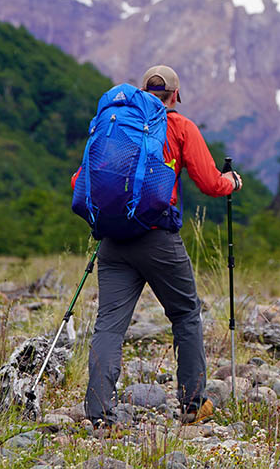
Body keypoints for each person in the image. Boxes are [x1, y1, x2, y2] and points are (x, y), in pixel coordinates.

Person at [72, 64, 241, 429]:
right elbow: (211, 183)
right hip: (157, 238)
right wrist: (233, 183)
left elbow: (80, 178)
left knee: (109, 326)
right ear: (175, 96)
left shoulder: (114, 124)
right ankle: (193, 402)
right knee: (184, 314)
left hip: (113, 240)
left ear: (141, 90)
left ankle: (99, 412)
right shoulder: (179, 126)